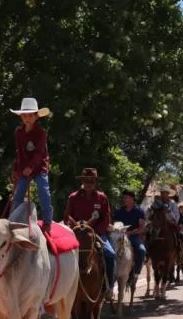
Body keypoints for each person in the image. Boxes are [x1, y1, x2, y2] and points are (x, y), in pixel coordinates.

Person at [63, 168, 116, 298]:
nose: (88, 183)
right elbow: (66, 216)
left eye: (91, 181)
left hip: (95, 233)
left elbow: (106, 218)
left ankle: (109, 287)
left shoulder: (102, 198)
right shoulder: (73, 197)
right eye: (86, 180)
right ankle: (62, 288)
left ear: (95, 182)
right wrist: (75, 226)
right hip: (76, 233)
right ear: (82, 181)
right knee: (61, 254)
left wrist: (94, 231)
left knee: (110, 255)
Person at [10, 97, 54, 232]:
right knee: (18, 195)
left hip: (39, 167)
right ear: (21, 116)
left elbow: (39, 153)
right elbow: (19, 153)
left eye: (30, 115)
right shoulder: (18, 132)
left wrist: (31, 167)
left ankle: (47, 222)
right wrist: (17, 170)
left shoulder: (41, 133)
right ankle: (13, 221)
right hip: (24, 168)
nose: (27, 118)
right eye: (24, 115)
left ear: (36, 116)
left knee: (43, 192)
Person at [113, 190, 147, 277]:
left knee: (141, 250)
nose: (124, 199)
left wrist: (130, 233)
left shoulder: (139, 211)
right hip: (120, 236)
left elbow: (142, 228)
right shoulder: (119, 211)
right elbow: (115, 224)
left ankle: (137, 271)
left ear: (132, 199)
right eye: (123, 198)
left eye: (126, 197)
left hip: (134, 237)